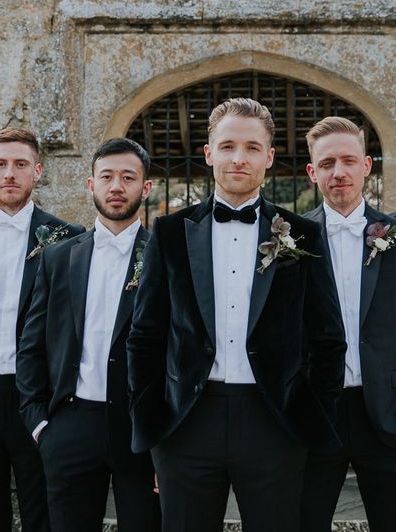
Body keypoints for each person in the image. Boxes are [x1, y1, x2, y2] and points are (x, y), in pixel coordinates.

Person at [126, 97, 346, 532]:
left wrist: (307, 417)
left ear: (269, 156)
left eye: (251, 147)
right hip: (187, 423)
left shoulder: (303, 234)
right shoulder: (169, 233)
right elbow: (145, 337)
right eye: (227, 146)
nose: (238, 158)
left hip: (274, 423)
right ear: (209, 154)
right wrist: (153, 424)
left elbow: (327, 338)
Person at [300, 116, 396, 532]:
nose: (338, 172)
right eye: (327, 163)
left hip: (391, 412)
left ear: (367, 165)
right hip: (316, 416)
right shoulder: (292, 238)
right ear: (312, 172)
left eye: (348, 160)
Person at [17, 137, 160, 532]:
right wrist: (40, 425)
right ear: (90, 184)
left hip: (139, 431)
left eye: (128, 177)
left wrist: (165, 439)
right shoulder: (58, 258)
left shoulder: (166, 257)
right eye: (107, 176)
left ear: (145, 188)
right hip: (70, 426)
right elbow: (31, 346)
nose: (117, 186)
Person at [0, 127, 84, 532]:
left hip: (38, 398)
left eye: (20, 164)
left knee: (45, 513)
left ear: (37, 171)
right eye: (0, 164)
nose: (10, 173)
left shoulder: (69, 239)